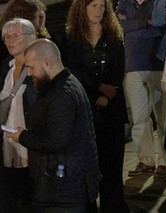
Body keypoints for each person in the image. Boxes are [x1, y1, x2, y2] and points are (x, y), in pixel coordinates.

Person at [5, 39, 101, 212]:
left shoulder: (61, 94)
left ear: (47, 63)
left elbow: (56, 141)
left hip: (64, 188)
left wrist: (23, 137)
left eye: (31, 67)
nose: (28, 73)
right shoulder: (62, 85)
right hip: (66, 183)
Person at [61, 0, 130, 210]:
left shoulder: (114, 34)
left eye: (102, 6)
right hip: (85, 107)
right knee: (89, 165)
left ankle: (114, 206)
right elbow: (72, 70)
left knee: (112, 164)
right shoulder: (71, 37)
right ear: (83, 8)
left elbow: (118, 69)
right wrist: (98, 89)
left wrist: (108, 93)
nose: (98, 11)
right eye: (94, 6)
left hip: (111, 106)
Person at [116, 0, 166, 179]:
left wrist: (135, 24)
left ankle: (165, 162)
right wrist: (145, 23)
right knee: (139, 119)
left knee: (163, 118)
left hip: (158, 64)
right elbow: (121, 25)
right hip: (132, 66)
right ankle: (146, 161)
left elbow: (159, 26)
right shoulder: (123, 0)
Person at [0, 18, 38, 213]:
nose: (10, 40)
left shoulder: (39, 69)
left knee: (32, 200)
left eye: (16, 35)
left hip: (31, 149)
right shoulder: (5, 69)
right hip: (7, 148)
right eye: (7, 37)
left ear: (31, 39)